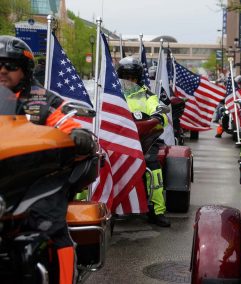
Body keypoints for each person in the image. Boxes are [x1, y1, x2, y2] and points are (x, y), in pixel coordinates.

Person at [0, 35, 96, 284]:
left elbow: (67, 123)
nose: (2, 70)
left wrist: (79, 135)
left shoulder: (43, 100)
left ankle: (63, 278)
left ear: (25, 69)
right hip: (3, 178)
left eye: (10, 65)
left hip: (34, 180)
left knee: (51, 226)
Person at [117, 56, 170, 227]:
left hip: (144, 139)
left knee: (152, 164)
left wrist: (157, 116)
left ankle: (157, 210)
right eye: (126, 77)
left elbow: (159, 111)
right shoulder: (112, 93)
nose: (129, 81)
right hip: (117, 138)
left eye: (132, 78)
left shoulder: (148, 95)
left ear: (138, 78)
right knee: (94, 160)